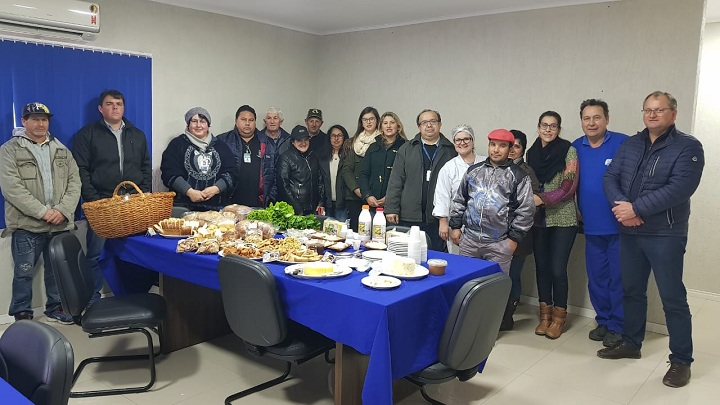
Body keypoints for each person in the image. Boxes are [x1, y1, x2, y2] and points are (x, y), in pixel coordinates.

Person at [598, 91, 704, 389]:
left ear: (674, 113)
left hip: (665, 233)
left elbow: (680, 188)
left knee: (672, 298)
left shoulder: (688, 147)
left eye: (659, 110)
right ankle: (632, 343)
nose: (652, 115)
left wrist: (637, 208)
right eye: (648, 110)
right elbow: (610, 178)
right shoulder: (631, 144)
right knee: (631, 290)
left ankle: (682, 360)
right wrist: (623, 207)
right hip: (630, 230)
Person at [0, 102, 80, 324]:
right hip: (27, 225)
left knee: (56, 271)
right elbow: (12, 188)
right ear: (24, 121)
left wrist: (62, 210)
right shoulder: (9, 150)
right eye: (34, 119)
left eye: (44, 119)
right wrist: (44, 212)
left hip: (59, 224)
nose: (40, 123)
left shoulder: (62, 150)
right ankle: (22, 313)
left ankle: (55, 307)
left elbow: (75, 183)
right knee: (23, 273)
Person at [72, 89, 152, 304]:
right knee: (96, 254)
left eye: (118, 103)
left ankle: (134, 295)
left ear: (124, 107)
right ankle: (92, 299)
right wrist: (95, 200)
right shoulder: (86, 135)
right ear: (101, 108)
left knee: (135, 252)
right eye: (109, 104)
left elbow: (145, 167)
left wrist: (142, 193)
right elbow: (81, 171)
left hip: (133, 204)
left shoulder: (137, 134)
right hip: (102, 205)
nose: (115, 107)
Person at [572, 99, 629, 347]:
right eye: (587, 118)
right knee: (597, 277)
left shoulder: (623, 143)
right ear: (582, 121)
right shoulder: (575, 148)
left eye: (597, 117)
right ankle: (604, 321)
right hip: (590, 225)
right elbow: (567, 183)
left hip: (619, 225)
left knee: (619, 277)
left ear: (606, 119)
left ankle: (619, 325)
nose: (592, 123)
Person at [527, 111, 579, 339]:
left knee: (558, 270)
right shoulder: (532, 153)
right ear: (538, 127)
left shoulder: (569, 150)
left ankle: (558, 319)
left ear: (559, 129)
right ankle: (544, 316)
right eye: (544, 125)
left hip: (563, 219)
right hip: (539, 220)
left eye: (553, 126)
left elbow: (568, 187)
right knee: (542, 268)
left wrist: (541, 199)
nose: (548, 130)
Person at [385, 109, 456, 252]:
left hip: (437, 218)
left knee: (435, 256)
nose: (429, 125)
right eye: (424, 122)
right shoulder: (407, 149)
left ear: (440, 124)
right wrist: (391, 208)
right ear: (419, 127)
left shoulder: (451, 151)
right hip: (409, 215)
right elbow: (396, 180)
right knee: (408, 255)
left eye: (433, 121)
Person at [501, 129, 541, 331]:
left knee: (513, 274)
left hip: (519, 233)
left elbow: (532, 202)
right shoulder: (497, 168)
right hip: (496, 234)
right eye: (510, 145)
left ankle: (508, 316)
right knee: (499, 275)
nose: (512, 150)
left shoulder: (526, 171)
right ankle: (498, 312)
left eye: (517, 146)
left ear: (522, 149)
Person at [160, 107, 236, 211]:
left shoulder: (221, 147)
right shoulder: (177, 145)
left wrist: (216, 189)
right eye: (194, 121)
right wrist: (189, 191)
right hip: (183, 208)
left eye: (202, 121)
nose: (198, 125)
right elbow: (169, 172)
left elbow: (232, 172)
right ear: (188, 124)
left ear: (208, 125)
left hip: (216, 209)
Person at [433, 124, 486, 254]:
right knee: (461, 260)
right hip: (458, 224)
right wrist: (443, 222)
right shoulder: (448, 168)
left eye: (466, 139)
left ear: (473, 141)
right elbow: (442, 195)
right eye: (458, 140)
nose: (462, 143)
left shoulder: (486, 163)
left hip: (485, 224)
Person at [218, 105, 275, 207]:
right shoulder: (223, 141)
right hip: (230, 203)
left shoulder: (267, 143)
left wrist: (270, 198)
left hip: (259, 204)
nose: (247, 123)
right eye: (243, 119)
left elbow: (274, 175)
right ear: (236, 121)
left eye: (251, 120)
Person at [358, 111, 407, 213]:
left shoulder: (406, 147)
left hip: (395, 206)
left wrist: (391, 198)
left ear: (398, 126)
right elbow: (363, 174)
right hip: (371, 203)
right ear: (381, 128)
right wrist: (367, 195)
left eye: (392, 122)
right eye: (385, 123)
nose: (388, 126)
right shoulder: (373, 147)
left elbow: (408, 178)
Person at [341, 106, 380, 230]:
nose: (368, 122)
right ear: (361, 122)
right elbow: (346, 170)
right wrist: (360, 192)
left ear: (377, 121)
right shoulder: (351, 143)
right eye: (365, 119)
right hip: (355, 196)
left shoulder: (383, 141)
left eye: (371, 119)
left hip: (377, 197)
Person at [276, 125, 326, 215]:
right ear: (292, 142)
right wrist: (297, 208)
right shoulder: (285, 158)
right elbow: (283, 186)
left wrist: (321, 202)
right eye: (299, 140)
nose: (303, 143)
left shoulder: (313, 155)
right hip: (293, 210)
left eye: (306, 139)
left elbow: (320, 180)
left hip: (313, 209)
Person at [319, 124, 350, 221]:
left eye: (339, 135)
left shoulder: (349, 156)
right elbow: (319, 181)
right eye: (333, 136)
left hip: (343, 204)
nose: (336, 139)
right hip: (326, 204)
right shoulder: (322, 156)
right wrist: (320, 203)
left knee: (341, 231)